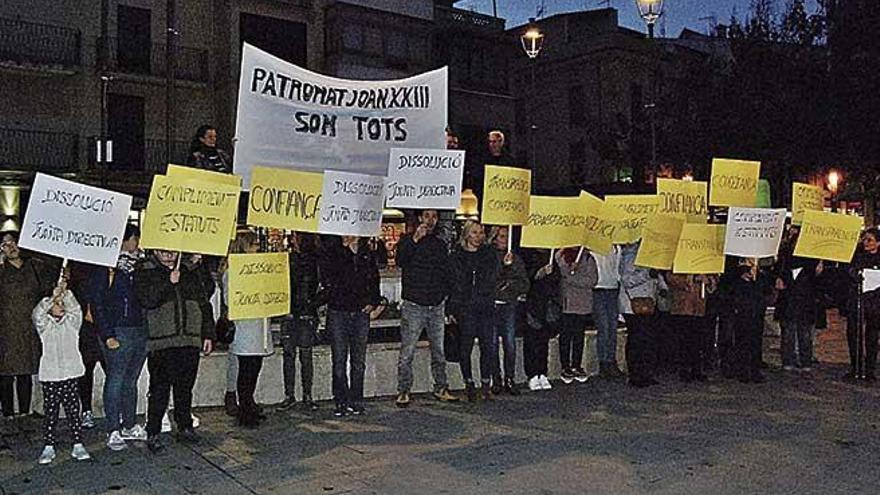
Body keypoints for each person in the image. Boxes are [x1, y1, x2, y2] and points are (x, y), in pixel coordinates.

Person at [134, 250, 215, 453]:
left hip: (189, 338)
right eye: (163, 252)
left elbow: (205, 299)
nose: (169, 256)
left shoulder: (189, 269)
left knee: (184, 387)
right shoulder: (146, 270)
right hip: (162, 342)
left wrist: (208, 334)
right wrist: (168, 282)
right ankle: (153, 431)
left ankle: (184, 425)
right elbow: (147, 299)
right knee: (159, 389)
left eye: (172, 252)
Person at [89, 225, 149, 451]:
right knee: (116, 378)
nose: (137, 244)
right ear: (126, 240)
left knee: (131, 379)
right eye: (135, 239)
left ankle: (129, 423)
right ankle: (113, 428)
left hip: (139, 329)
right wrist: (107, 335)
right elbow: (97, 303)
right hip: (118, 329)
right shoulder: (107, 267)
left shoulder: (139, 267)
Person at [395, 210, 458, 408]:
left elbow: (446, 271)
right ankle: (403, 390)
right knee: (407, 351)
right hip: (414, 304)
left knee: (438, 351)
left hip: (436, 304)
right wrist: (414, 239)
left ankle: (441, 387)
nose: (431, 220)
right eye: (427, 216)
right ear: (420, 218)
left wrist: (445, 295)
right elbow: (401, 261)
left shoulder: (439, 244)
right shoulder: (407, 240)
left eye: (434, 217)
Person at [321, 236, 381, 417]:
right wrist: (342, 252)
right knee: (339, 360)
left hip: (360, 311)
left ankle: (356, 399)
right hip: (339, 310)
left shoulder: (366, 254)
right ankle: (341, 400)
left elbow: (374, 279)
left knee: (358, 361)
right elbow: (328, 279)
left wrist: (373, 301)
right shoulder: (333, 252)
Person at [33, 282, 91, 464]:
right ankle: (49, 445)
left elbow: (76, 310)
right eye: (56, 305)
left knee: (73, 410)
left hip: (70, 373)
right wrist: (50, 299)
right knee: (51, 411)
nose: (60, 307)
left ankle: (78, 443)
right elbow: (37, 315)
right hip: (50, 374)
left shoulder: (72, 324)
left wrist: (65, 294)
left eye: (61, 304)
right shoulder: (44, 326)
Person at [0, 232, 51, 417]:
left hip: (29, 329)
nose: (11, 247)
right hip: (6, 330)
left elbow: (45, 291)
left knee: (25, 372)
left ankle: (24, 412)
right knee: (6, 373)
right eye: (5, 244)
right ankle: (7, 413)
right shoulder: (2, 270)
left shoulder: (35, 267)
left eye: (13, 242)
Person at [225, 232, 273, 428]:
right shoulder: (233, 271)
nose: (257, 248)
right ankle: (244, 409)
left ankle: (249, 403)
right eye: (253, 244)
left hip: (259, 327)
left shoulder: (260, 269)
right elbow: (230, 300)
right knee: (246, 370)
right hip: (245, 328)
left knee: (254, 368)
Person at [449, 221, 499, 401]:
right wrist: (453, 309)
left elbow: (495, 275)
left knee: (488, 346)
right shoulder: (458, 256)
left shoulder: (488, 254)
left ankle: (486, 383)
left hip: (485, 304)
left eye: (481, 233)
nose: (478, 237)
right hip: (466, 306)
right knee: (466, 347)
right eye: (475, 233)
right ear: (467, 235)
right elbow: (454, 283)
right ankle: (469, 383)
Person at [279, 232, 324, 411]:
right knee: (293, 355)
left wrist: (311, 303)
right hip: (297, 312)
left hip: (300, 313)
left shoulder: (312, 261)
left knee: (300, 355)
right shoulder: (294, 259)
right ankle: (296, 395)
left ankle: (301, 395)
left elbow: (325, 287)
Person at [619, 241, 667, 388]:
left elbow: (655, 274)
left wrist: (662, 286)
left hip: (648, 301)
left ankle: (645, 373)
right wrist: (647, 274)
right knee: (637, 340)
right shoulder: (631, 254)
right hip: (633, 303)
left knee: (646, 340)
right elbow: (627, 280)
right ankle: (635, 375)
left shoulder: (650, 253)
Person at [489, 226, 529, 395]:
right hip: (491, 305)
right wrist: (505, 269)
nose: (505, 240)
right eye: (502, 236)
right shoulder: (489, 257)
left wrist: (511, 288)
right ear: (494, 238)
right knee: (491, 344)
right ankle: (496, 379)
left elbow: (524, 283)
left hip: (508, 305)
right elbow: (490, 280)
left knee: (510, 343)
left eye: (507, 236)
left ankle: (509, 378)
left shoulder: (516, 259)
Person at [555, 248, 598, 384]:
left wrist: (573, 277)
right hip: (567, 302)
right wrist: (569, 272)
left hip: (583, 303)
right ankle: (565, 366)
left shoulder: (587, 258)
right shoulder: (561, 256)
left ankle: (576, 364)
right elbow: (561, 274)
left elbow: (592, 280)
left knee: (579, 335)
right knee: (566, 335)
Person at [68, 262, 103, 430]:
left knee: (111, 369)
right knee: (85, 371)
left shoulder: (104, 264)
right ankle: (86, 410)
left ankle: (114, 409)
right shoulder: (76, 268)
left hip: (104, 326)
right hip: (84, 328)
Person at [665, 273, 717, 382]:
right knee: (684, 340)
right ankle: (684, 369)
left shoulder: (703, 264)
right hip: (682, 306)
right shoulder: (679, 262)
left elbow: (713, 282)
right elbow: (671, 278)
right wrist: (693, 278)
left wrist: (709, 280)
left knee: (698, 339)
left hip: (699, 306)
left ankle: (696, 369)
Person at [777, 257, 825, 373]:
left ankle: (805, 361)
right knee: (789, 334)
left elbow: (820, 286)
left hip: (805, 304)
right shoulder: (784, 266)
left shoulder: (811, 268)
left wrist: (820, 270)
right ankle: (789, 360)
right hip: (789, 304)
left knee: (804, 335)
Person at [723, 259, 767, 383]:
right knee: (741, 340)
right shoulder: (736, 269)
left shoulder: (761, 272)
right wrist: (742, 277)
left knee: (755, 340)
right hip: (741, 310)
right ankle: (741, 369)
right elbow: (729, 288)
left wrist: (756, 277)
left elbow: (766, 289)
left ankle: (754, 368)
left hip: (756, 309)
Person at [523, 249, 560, 391]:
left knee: (543, 341)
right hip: (532, 303)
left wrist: (551, 274)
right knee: (532, 339)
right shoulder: (527, 253)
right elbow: (526, 278)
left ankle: (542, 372)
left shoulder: (550, 256)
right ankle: (532, 374)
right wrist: (538, 274)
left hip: (547, 304)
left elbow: (557, 280)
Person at [847, 228, 880, 381]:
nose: (866, 243)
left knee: (872, 336)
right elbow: (848, 272)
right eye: (864, 239)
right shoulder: (857, 256)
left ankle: (870, 369)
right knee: (854, 334)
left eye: (870, 240)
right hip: (857, 300)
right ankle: (856, 366)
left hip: (874, 302)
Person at [591, 246, 625, 378]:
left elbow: (618, 270)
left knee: (612, 327)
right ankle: (604, 363)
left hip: (612, 288)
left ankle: (611, 360)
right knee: (604, 327)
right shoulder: (593, 246)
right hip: (598, 288)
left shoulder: (616, 248)